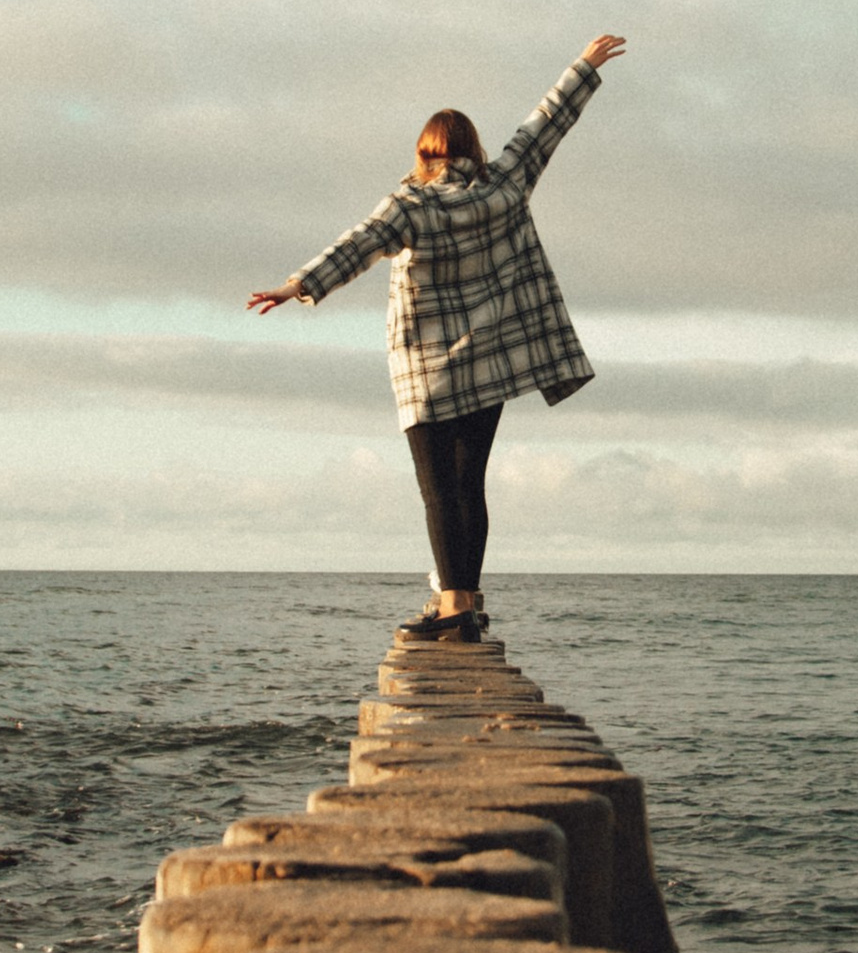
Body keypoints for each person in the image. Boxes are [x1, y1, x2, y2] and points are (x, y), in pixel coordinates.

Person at [249, 36, 627, 643]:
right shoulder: (504, 185)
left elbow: (358, 244)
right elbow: (544, 126)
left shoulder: (410, 204)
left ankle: (453, 607)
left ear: (424, 155)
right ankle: (466, 601)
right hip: (490, 364)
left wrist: (298, 285)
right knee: (469, 484)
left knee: (437, 491)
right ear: (474, 149)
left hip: (425, 371)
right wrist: (583, 67)